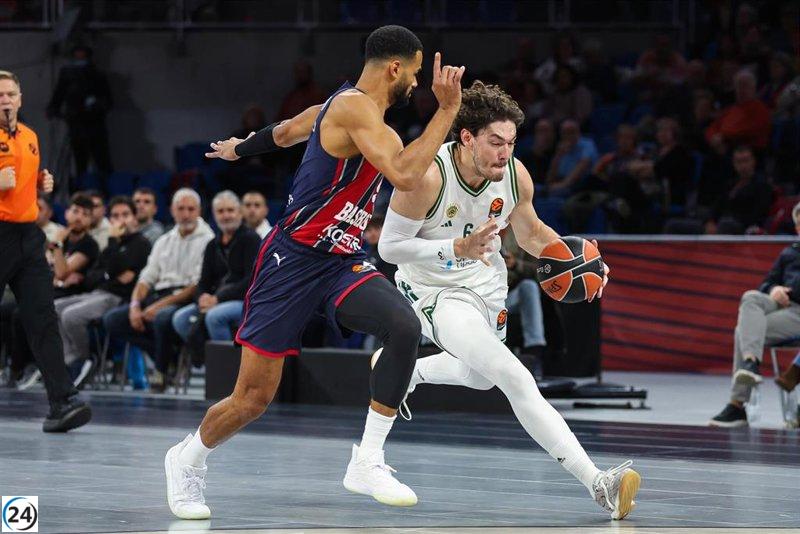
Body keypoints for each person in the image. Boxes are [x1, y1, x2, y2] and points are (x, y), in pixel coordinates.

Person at [166, 25, 465, 519]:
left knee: (405, 325)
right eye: (413, 73)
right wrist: (448, 110)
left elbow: (284, 133)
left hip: (341, 262)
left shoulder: (346, 111)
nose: (416, 84)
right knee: (252, 399)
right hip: (291, 262)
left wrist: (239, 148)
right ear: (394, 67)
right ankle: (186, 458)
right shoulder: (352, 108)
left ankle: (366, 460)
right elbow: (406, 174)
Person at [377, 81, 639, 520]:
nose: (505, 152)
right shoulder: (427, 176)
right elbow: (389, 247)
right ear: (467, 138)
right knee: (513, 377)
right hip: (433, 290)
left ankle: (407, 369)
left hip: (485, 281)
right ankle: (599, 483)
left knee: (480, 378)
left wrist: (580, 260)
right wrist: (454, 250)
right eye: (495, 142)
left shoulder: (514, 175)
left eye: (511, 143)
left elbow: (532, 232)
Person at [0, 69, 91, 432]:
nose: (4, 99)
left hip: (28, 236)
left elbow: (25, 180)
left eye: (10, 93)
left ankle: (62, 402)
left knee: (43, 317)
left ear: (20, 99)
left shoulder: (31, 137)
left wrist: (41, 183)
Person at [104, 188, 213, 391]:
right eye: (181, 208)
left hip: (186, 297)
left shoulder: (209, 240)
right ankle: (169, 357)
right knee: (114, 320)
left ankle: (161, 372)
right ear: (172, 210)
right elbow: (146, 277)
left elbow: (197, 285)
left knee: (162, 317)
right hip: (159, 294)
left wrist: (157, 306)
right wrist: (135, 305)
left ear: (199, 211)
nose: (186, 214)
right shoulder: (164, 240)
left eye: (191, 209)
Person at [709, 201, 800, 427]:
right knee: (750, 297)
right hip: (780, 306)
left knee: (744, 331)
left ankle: (737, 405)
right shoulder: (789, 253)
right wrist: (773, 289)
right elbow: (766, 282)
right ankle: (750, 364)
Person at [53, 196, 151, 386]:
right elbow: (93, 275)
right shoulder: (111, 245)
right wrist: (110, 274)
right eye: (115, 216)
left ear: (134, 218)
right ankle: (73, 361)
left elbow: (122, 274)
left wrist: (113, 252)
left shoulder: (141, 243)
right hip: (97, 293)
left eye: (125, 215)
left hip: (117, 297)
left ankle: (85, 359)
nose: (120, 220)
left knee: (71, 316)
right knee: (54, 308)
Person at [171, 191, 260, 354]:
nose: (226, 216)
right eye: (220, 211)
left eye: (230, 210)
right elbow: (203, 281)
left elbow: (251, 280)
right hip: (215, 299)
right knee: (180, 319)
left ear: (239, 212)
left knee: (215, 316)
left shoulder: (251, 239)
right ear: (214, 215)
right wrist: (201, 299)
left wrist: (217, 299)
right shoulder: (212, 244)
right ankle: (209, 362)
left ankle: (228, 367)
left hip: (245, 301)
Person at [46, 45, 113, 180]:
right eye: (77, 54)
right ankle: (80, 186)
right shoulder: (68, 75)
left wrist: (96, 104)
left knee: (101, 159)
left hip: (95, 124)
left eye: (82, 54)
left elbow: (108, 101)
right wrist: (54, 109)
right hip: (76, 124)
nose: (79, 57)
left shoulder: (97, 74)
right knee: (79, 159)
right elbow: (59, 94)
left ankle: (105, 188)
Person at [705, 69, 771, 153]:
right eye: (738, 85)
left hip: (748, 151)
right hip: (725, 146)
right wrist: (713, 138)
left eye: (745, 85)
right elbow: (713, 127)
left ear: (753, 88)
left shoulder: (760, 109)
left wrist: (723, 136)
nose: (741, 89)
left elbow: (749, 130)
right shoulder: (731, 109)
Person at [50, 192, 100, 299]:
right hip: (52, 289)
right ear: (66, 213)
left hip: (70, 296)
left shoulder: (89, 244)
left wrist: (57, 244)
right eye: (75, 211)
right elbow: (43, 269)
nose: (79, 217)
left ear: (90, 220)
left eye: (85, 214)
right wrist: (58, 282)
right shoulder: (63, 237)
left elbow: (61, 273)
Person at [546, 119, 598, 196]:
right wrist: (558, 156)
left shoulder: (587, 145)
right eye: (565, 133)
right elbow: (549, 180)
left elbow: (582, 167)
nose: (568, 135)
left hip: (580, 186)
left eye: (571, 132)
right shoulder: (561, 148)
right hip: (561, 182)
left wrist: (562, 185)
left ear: (578, 132)